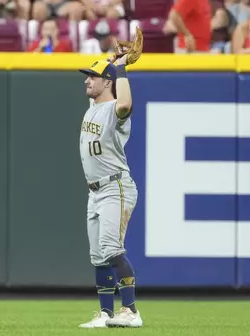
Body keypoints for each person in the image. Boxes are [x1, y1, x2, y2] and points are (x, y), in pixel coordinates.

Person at [78, 55, 141, 329]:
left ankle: (130, 310)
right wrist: (111, 59)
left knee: (111, 248)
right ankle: (105, 314)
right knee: (98, 254)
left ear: (108, 82)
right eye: (87, 75)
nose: (86, 80)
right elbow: (104, 73)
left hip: (115, 186)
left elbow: (126, 102)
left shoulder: (117, 109)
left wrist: (122, 67)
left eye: (92, 76)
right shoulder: (93, 105)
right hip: (95, 191)